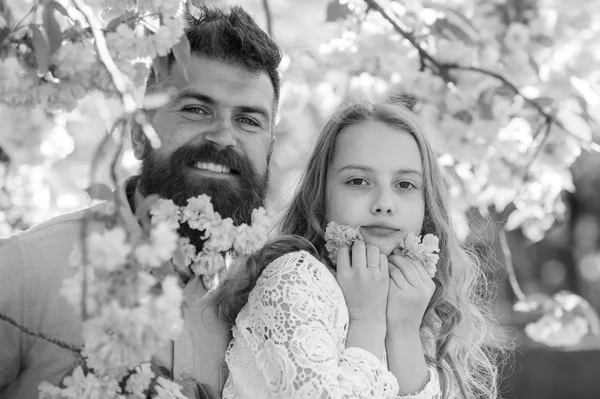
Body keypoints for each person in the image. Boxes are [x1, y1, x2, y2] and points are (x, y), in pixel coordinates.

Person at [0, 6, 282, 399]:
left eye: (248, 120)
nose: (223, 136)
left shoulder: (275, 302)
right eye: (196, 110)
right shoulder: (24, 270)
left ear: (269, 150)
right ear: (137, 135)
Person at [216, 101, 507, 398]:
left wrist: (403, 333)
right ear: (321, 196)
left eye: (405, 184)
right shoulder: (295, 278)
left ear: (426, 205)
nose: (384, 202)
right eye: (358, 181)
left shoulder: (416, 307)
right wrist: (365, 319)